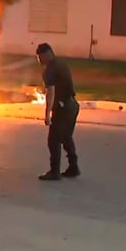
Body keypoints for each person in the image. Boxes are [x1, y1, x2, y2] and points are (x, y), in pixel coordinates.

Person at [36, 43, 80, 181]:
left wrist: (47, 114)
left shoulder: (50, 69)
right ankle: (73, 167)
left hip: (63, 108)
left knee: (53, 140)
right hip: (72, 105)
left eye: (39, 57)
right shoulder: (61, 63)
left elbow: (51, 92)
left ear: (45, 55)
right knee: (66, 137)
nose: (39, 60)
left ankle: (54, 171)